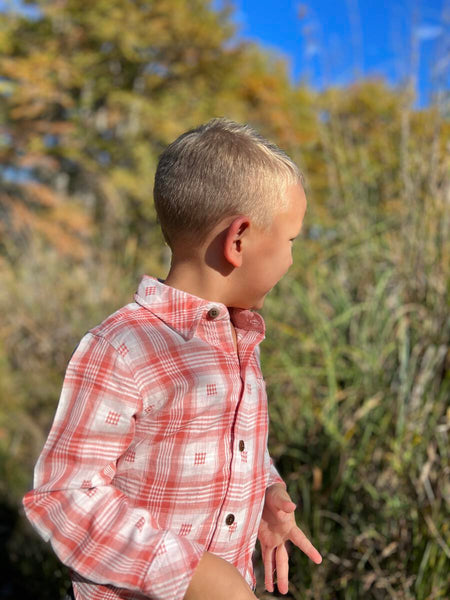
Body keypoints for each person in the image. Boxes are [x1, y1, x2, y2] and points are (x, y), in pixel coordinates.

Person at [23, 118, 322, 600]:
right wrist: (196, 576)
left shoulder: (237, 337)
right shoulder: (121, 348)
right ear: (239, 240)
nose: (291, 259)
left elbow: (237, 442)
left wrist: (265, 491)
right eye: (291, 242)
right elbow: (65, 498)